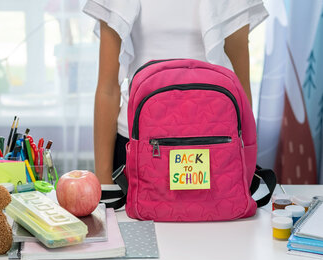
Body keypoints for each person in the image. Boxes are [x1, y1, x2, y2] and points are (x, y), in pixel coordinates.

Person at [83, 0, 268, 184]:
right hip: (136, 143)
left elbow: (240, 88)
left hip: (213, 142)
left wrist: (245, 172)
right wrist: (104, 183)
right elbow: (108, 89)